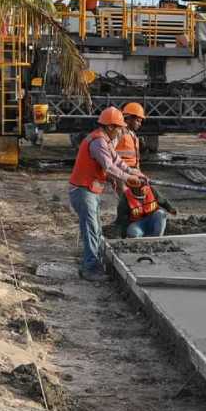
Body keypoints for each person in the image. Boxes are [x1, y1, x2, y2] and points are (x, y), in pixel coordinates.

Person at [68, 107, 146, 281]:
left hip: (90, 191)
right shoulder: (98, 142)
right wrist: (128, 179)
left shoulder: (106, 141)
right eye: (119, 127)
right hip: (82, 190)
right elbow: (109, 167)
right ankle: (90, 269)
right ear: (110, 127)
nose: (121, 130)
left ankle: (94, 264)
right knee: (91, 229)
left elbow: (118, 162)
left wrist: (135, 173)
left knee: (95, 229)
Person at [115, 102, 145, 170]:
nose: (140, 124)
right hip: (121, 172)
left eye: (140, 121)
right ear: (128, 119)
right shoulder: (119, 132)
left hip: (130, 172)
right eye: (138, 121)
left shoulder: (132, 134)